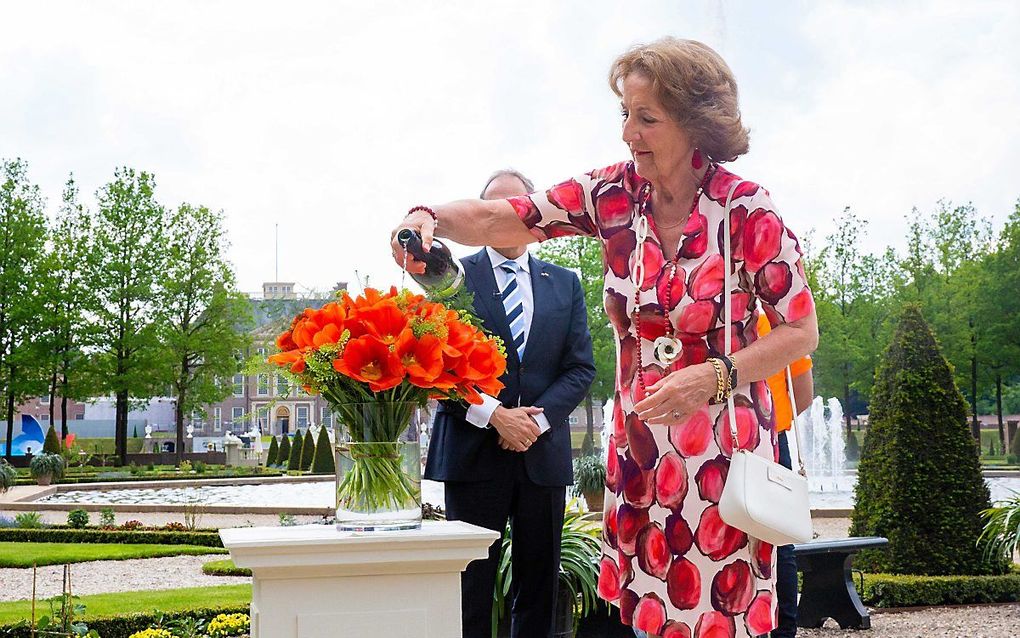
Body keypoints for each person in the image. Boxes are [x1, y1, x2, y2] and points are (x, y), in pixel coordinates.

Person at [393, 37, 818, 638]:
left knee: (722, 619)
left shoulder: (747, 210)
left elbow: (802, 332)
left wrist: (714, 375)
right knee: (644, 619)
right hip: (641, 456)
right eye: (624, 114)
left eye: (646, 118)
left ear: (697, 123)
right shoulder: (613, 196)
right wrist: (425, 216)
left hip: (725, 462)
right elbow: (500, 217)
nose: (628, 133)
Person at [422, 169, 596, 638]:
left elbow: (580, 367)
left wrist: (532, 424)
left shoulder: (565, 282)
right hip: (472, 454)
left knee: (538, 589)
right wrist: (494, 415)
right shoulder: (452, 279)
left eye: (517, 207)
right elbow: (437, 363)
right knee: (470, 588)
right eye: (494, 211)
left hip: (542, 455)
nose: (506, 218)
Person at [758, 314, 813, 638]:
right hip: (771, 437)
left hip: (722, 438)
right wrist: (774, 424)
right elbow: (803, 392)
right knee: (779, 539)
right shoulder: (775, 319)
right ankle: (783, 628)